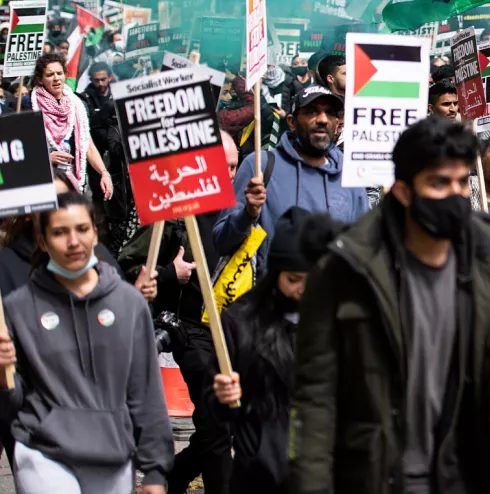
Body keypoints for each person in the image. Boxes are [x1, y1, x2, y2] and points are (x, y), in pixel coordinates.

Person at [289, 116, 490, 493]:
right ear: (402, 191)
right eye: (438, 183)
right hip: (377, 476)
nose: (455, 196)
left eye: (462, 182)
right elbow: (315, 398)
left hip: (463, 476)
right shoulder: (346, 270)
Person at [0, 192, 172, 493]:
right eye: (59, 232)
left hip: (113, 455)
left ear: (95, 233)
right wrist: (3, 376)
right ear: (42, 241)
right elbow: (12, 403)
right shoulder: (19, 308)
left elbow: (145, 390)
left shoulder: (128, 303)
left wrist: (156, 470)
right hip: (43, 454)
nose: (73, 241)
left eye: (81, 229)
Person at [118, 132, 240, 494]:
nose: (228, 175)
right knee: (217, 421)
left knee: (223, 422)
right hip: (190, 328)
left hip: (232, 330)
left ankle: (173, 477)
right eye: (221, 166)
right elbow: (129, 268)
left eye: (234, 166)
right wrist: (171, 274)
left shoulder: (241, 210)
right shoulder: (172, 209)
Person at [213, 208, 324, 494]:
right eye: (293, 279)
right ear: (275, 274)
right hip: (259, 475)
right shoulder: (241, 321)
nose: (303, 290)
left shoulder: (336, 321)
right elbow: (214, 409)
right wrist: (222, 395)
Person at [213, 85, 369, 275]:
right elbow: (221, 242)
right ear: (292, 122)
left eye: (329, 113)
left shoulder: (350, 174)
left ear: (337, 123)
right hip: (268, 292)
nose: (322, 119)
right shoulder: (259, 166)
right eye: (312, 112)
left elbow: (363, 250)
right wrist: (247, 215)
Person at [30, 53, 113, 201]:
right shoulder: (29, 106)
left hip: (74, 179)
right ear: (40, 80)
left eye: (59, 73)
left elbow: (88, 145)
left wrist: (104, 173)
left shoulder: (77, 104)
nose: (56, 78)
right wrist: (45, 157)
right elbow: (22, 150)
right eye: (50, 75)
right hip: (44, 183)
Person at [80, 61, 132, 251]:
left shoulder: (120, 92)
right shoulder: (86, 98)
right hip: (98, 159)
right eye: (97, 80)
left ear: (109, 77)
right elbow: (89, 131)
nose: (101, 84)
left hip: (119, 164)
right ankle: (102, 242)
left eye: (103, 79)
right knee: (100, 205)